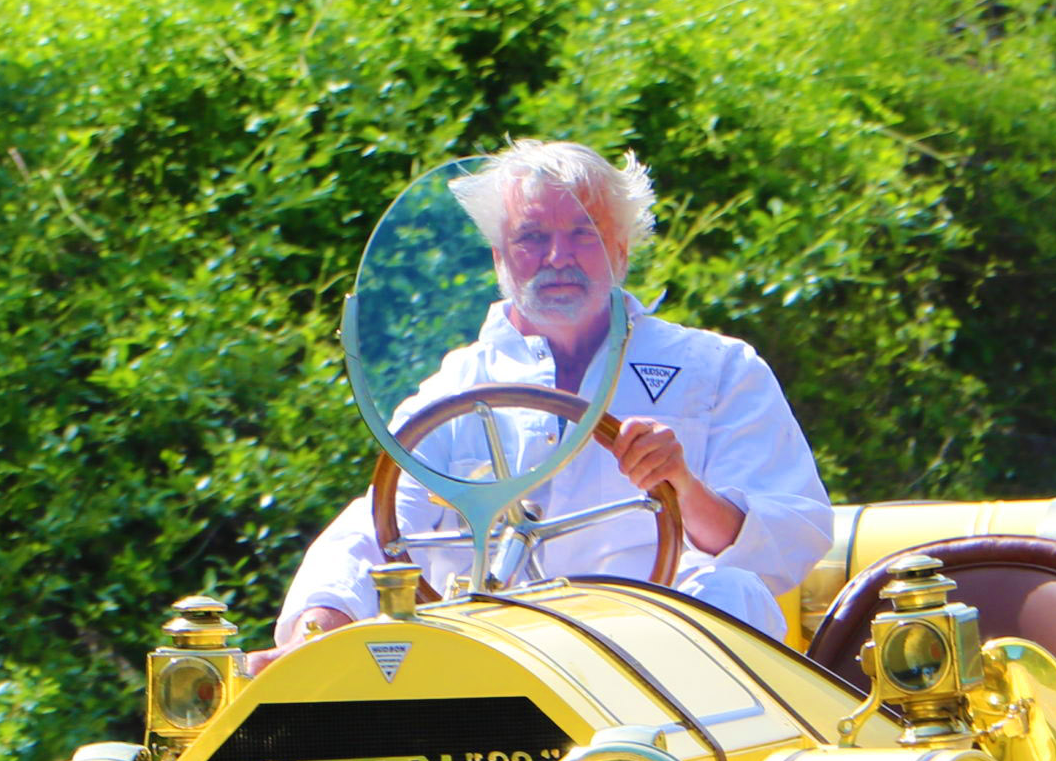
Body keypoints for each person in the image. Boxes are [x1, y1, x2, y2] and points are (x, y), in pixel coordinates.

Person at [268, 140, 832, 654]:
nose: (558, 256)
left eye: (583, 233)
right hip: (494, 660)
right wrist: (313, 632)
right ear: (498, 258)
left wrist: (684, 489)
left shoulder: (718, 370)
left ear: (621, 251)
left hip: (658, 661)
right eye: (532, 237)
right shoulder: (456, 388)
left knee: (729, 591)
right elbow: (376, 526)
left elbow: (790, 537)